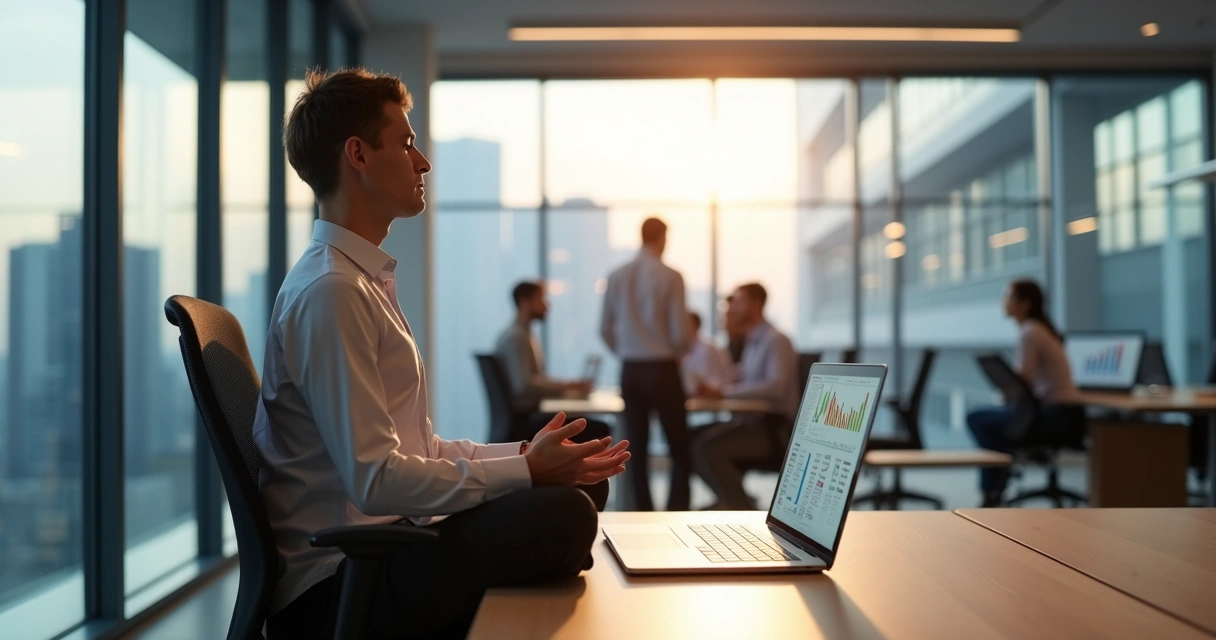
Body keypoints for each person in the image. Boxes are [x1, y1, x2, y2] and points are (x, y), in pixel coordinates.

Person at [254, 69, 630, 639]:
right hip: (344, 582)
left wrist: (528, 454)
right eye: (405, 143)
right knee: (567, 512)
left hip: (390, 545)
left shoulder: (361, 283)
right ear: (357, 154)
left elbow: (421, 449)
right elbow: (376, 481)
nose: (422, 161)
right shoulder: (330, 292)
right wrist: (525, 472)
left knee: (577, 485)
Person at [600, 217, 692, 511]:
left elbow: (604, 329)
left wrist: (627, 351)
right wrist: (677, 350)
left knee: (635, 452)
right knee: (679, 449)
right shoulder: (671, 276)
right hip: (664, 369)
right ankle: (677, 515)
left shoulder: (616, 275)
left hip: (631, 371)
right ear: (663, 238)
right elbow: (680, 334)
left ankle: (642, 515)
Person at [967, 279, 1080, 507]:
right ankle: (999, 476)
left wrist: (1006, 393)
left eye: (1008, 296)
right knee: (992, 418)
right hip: (1064, 413)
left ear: (1025, 303)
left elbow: (1022, 383)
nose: (1004, 302)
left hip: (1052, 416)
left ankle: (994, 486)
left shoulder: (1030, 333)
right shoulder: (1040, 330)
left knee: (976, 418)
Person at [691, 283, 800, 510]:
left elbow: (775, 387)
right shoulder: (753, 341)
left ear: (755, 304)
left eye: (739, 302)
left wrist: (723, 392)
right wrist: (714, 387)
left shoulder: (776, 340)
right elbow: (740, 377)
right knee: (692, 438)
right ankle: (731, 500)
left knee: (707, 447)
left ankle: (738, 507)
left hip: (773, 430)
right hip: (751, 424)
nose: (733, 308)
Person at [494, 280, 611, 442]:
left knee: (582, 419)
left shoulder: (522, 334)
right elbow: (524, 385)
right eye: (541, 298)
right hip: (526, 421)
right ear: (525, 302)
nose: (547, 305)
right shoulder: (517, 338)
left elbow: (531, 380)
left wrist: (568, 385)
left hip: (526, 417)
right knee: (599, 428)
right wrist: (567, 386)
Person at [680, 311, 734, 395]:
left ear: (694, 325)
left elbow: (709, 385)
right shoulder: (686, 349)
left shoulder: (707, 349)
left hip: (714, 398)